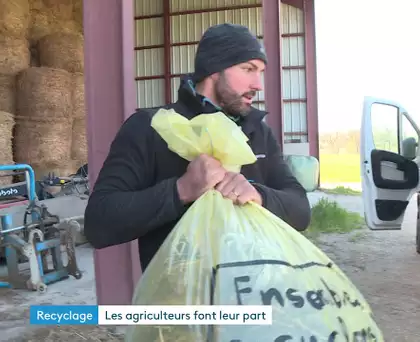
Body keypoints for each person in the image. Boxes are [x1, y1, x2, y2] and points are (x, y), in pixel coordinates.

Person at [83, 23, 311, 271]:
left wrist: (258, 195)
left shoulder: (258, 132)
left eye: (261, 72)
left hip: (251, 297)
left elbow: (301, 211)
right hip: (178, 300)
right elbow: (98, 224)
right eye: (248, 69)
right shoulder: (150, 128)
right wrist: (180, 190)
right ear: (214, 69)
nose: (259, 84)